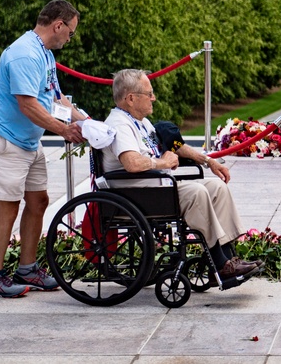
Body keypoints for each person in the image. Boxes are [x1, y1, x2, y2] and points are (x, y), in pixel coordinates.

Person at [102, 68, 260, 286]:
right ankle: (220, 264)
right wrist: (162, 163)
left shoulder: (141, 122)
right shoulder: (119, 124)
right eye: (149, 94)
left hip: (156, 188)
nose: (153, 98)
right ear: (130, 98)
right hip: (137, 193)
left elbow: (174, 147)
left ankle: (226, 259)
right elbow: (132, 163)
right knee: (198, 192)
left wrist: (208, 161)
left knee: (217, 188)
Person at [0, 0, 89, 298]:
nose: (70, 37)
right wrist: (64, 130)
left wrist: (89, 123)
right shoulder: (25, 55)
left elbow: (56, 98)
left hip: (26, 140)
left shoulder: (44, 54)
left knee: (39, 200)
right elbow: (27, 105)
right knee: (8, 207)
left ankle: (27, 268)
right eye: (71, 32)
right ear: (58, 25)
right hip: (5, 138)